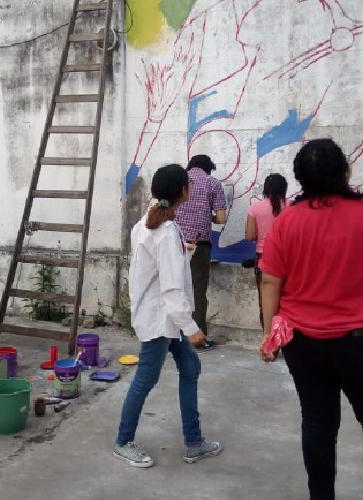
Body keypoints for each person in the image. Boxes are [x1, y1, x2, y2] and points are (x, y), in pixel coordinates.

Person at [257, 139, 363, 500]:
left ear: (300, 178)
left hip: (304, 343)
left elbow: (270, 281)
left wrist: (269, 335)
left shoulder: (287, 222)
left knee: (317, 425)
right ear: (345, 173)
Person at [113, 164, 222, 468]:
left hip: (161, 317)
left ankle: (194, 442)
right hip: (162, 319)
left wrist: (181, 252)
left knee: (190, 367)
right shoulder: (165, 232)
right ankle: (123, 441)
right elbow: (172, 289)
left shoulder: (147, 225)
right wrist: (192, 328)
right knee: (146, 379)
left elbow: (157, 269)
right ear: (184, 192)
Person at [173, 154, 227, 351]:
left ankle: (172, 336)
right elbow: (221, 219)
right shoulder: (212, 183)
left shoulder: (179, 179)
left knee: (173, 288)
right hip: (199, 245)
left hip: (173, 241)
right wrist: (208, 215)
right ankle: (198, 338)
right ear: (208, 169)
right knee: (197, 292)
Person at [245, 173, 288, 329]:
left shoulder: (255, 208)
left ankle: (269, 336)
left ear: (265, 189)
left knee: (266, 299)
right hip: (287, 257)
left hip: (263, 257)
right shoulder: (291, 206)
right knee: (287, 297)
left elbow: (249, 236)